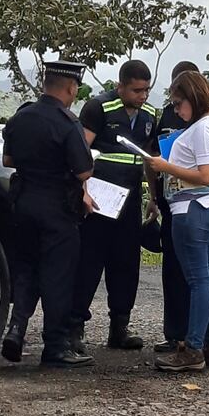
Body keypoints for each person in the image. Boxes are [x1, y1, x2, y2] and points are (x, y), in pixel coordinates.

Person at [0, 61, 97, 368]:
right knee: (58, 277)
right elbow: (84, 170)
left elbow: (8, 158)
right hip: (57, 209)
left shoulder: (21, 117)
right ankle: (54, 347)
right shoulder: (67, 124)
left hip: (23, 203)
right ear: (70, 88)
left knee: (26, 268)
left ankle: (16, 329)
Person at [153, 61, 209, 354]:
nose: (176, 111)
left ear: (192, 98)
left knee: (198, 280)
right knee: (207, 275)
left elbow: (206, 175)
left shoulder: (204, 128)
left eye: (179, 104)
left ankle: (194, 346)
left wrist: (166, 166)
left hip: (196, 208)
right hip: (205, 206)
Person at [69, 59, 158, 351]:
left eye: (146, 90)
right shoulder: (98, 107)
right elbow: (80, 152)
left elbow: (150, 159)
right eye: (136, 90)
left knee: (126, 264)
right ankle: (75, 328)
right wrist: (82, 190)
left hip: (130, 200)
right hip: (98, 199)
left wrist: (153, 198)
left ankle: (119, 327)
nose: (142, 96)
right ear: (120, 86)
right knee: (89, 263)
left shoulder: (149, 114)